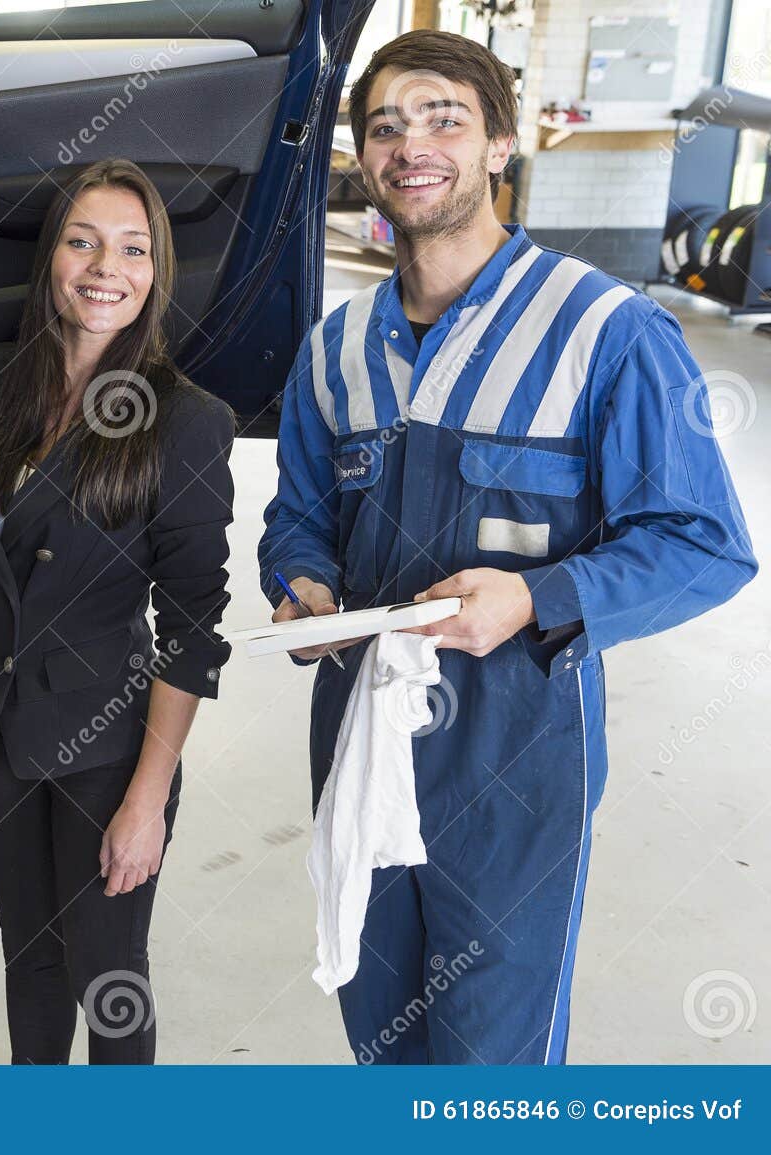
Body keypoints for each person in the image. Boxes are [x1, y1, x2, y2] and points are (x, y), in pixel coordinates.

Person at [258, 30, 756, 1064]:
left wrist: (531, 599)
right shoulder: (335, 347)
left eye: (443, 117)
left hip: (517, 751)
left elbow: (702, 543)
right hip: (362, 732)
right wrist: (300, 584)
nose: (412, 145)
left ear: (498, 144)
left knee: (493, 1051)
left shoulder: (604, 330)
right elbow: (299, 510)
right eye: (386, 126)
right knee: (376, 1021)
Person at [0, 158, 236, 1064]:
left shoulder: (185, 419)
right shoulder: (2, 380)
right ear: (52, 258)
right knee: (29, 959)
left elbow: (193, 624)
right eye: (83, 240)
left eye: (133, 249)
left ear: (157, 271)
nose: (107, 267)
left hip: (108, 747)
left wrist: (148, 797)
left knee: (105, 972)